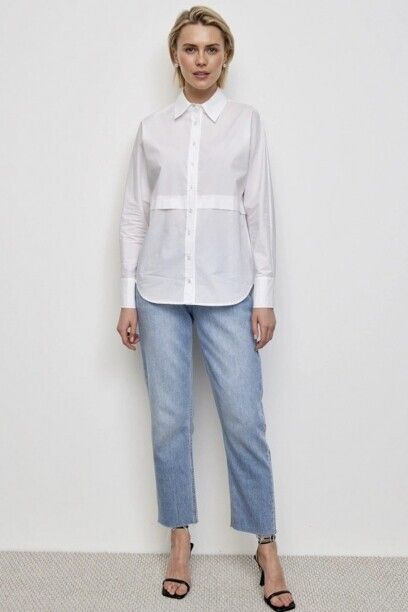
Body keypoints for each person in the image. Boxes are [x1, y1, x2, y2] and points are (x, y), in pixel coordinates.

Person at [116, 6, 296, 611]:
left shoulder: (246, 123)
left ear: (226, 56)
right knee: (170, 421)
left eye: (211, 49)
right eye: (190, 48)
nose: (200, 59)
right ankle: (180, 538)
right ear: (175, 55)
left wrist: (264, 296)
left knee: (244, 420)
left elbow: (259, 211)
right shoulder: (152, 129)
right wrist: (126, 297)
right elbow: (135, 213)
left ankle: (265, 544)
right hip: (159, 291)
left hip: (229, 290)